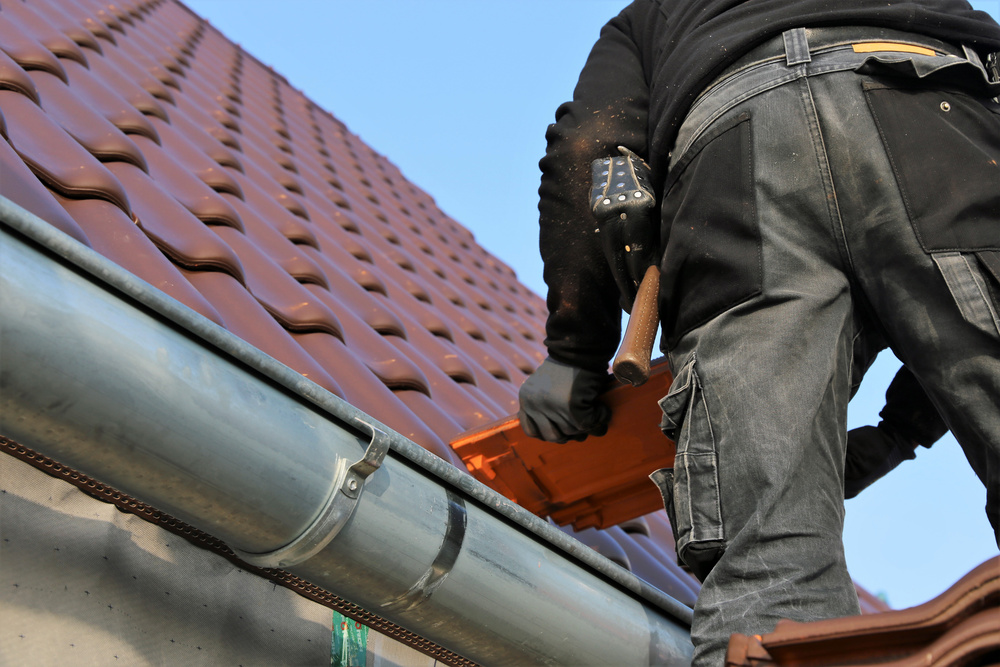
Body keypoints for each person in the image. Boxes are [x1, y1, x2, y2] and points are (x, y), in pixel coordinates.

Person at [516, 1, 1000, 663]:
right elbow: (967, 283)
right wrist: (902, 432)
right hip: (930, 110)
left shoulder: (657, 13)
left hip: (730, 177)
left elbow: (588, 147)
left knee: (768, 591)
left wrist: (574, 354)